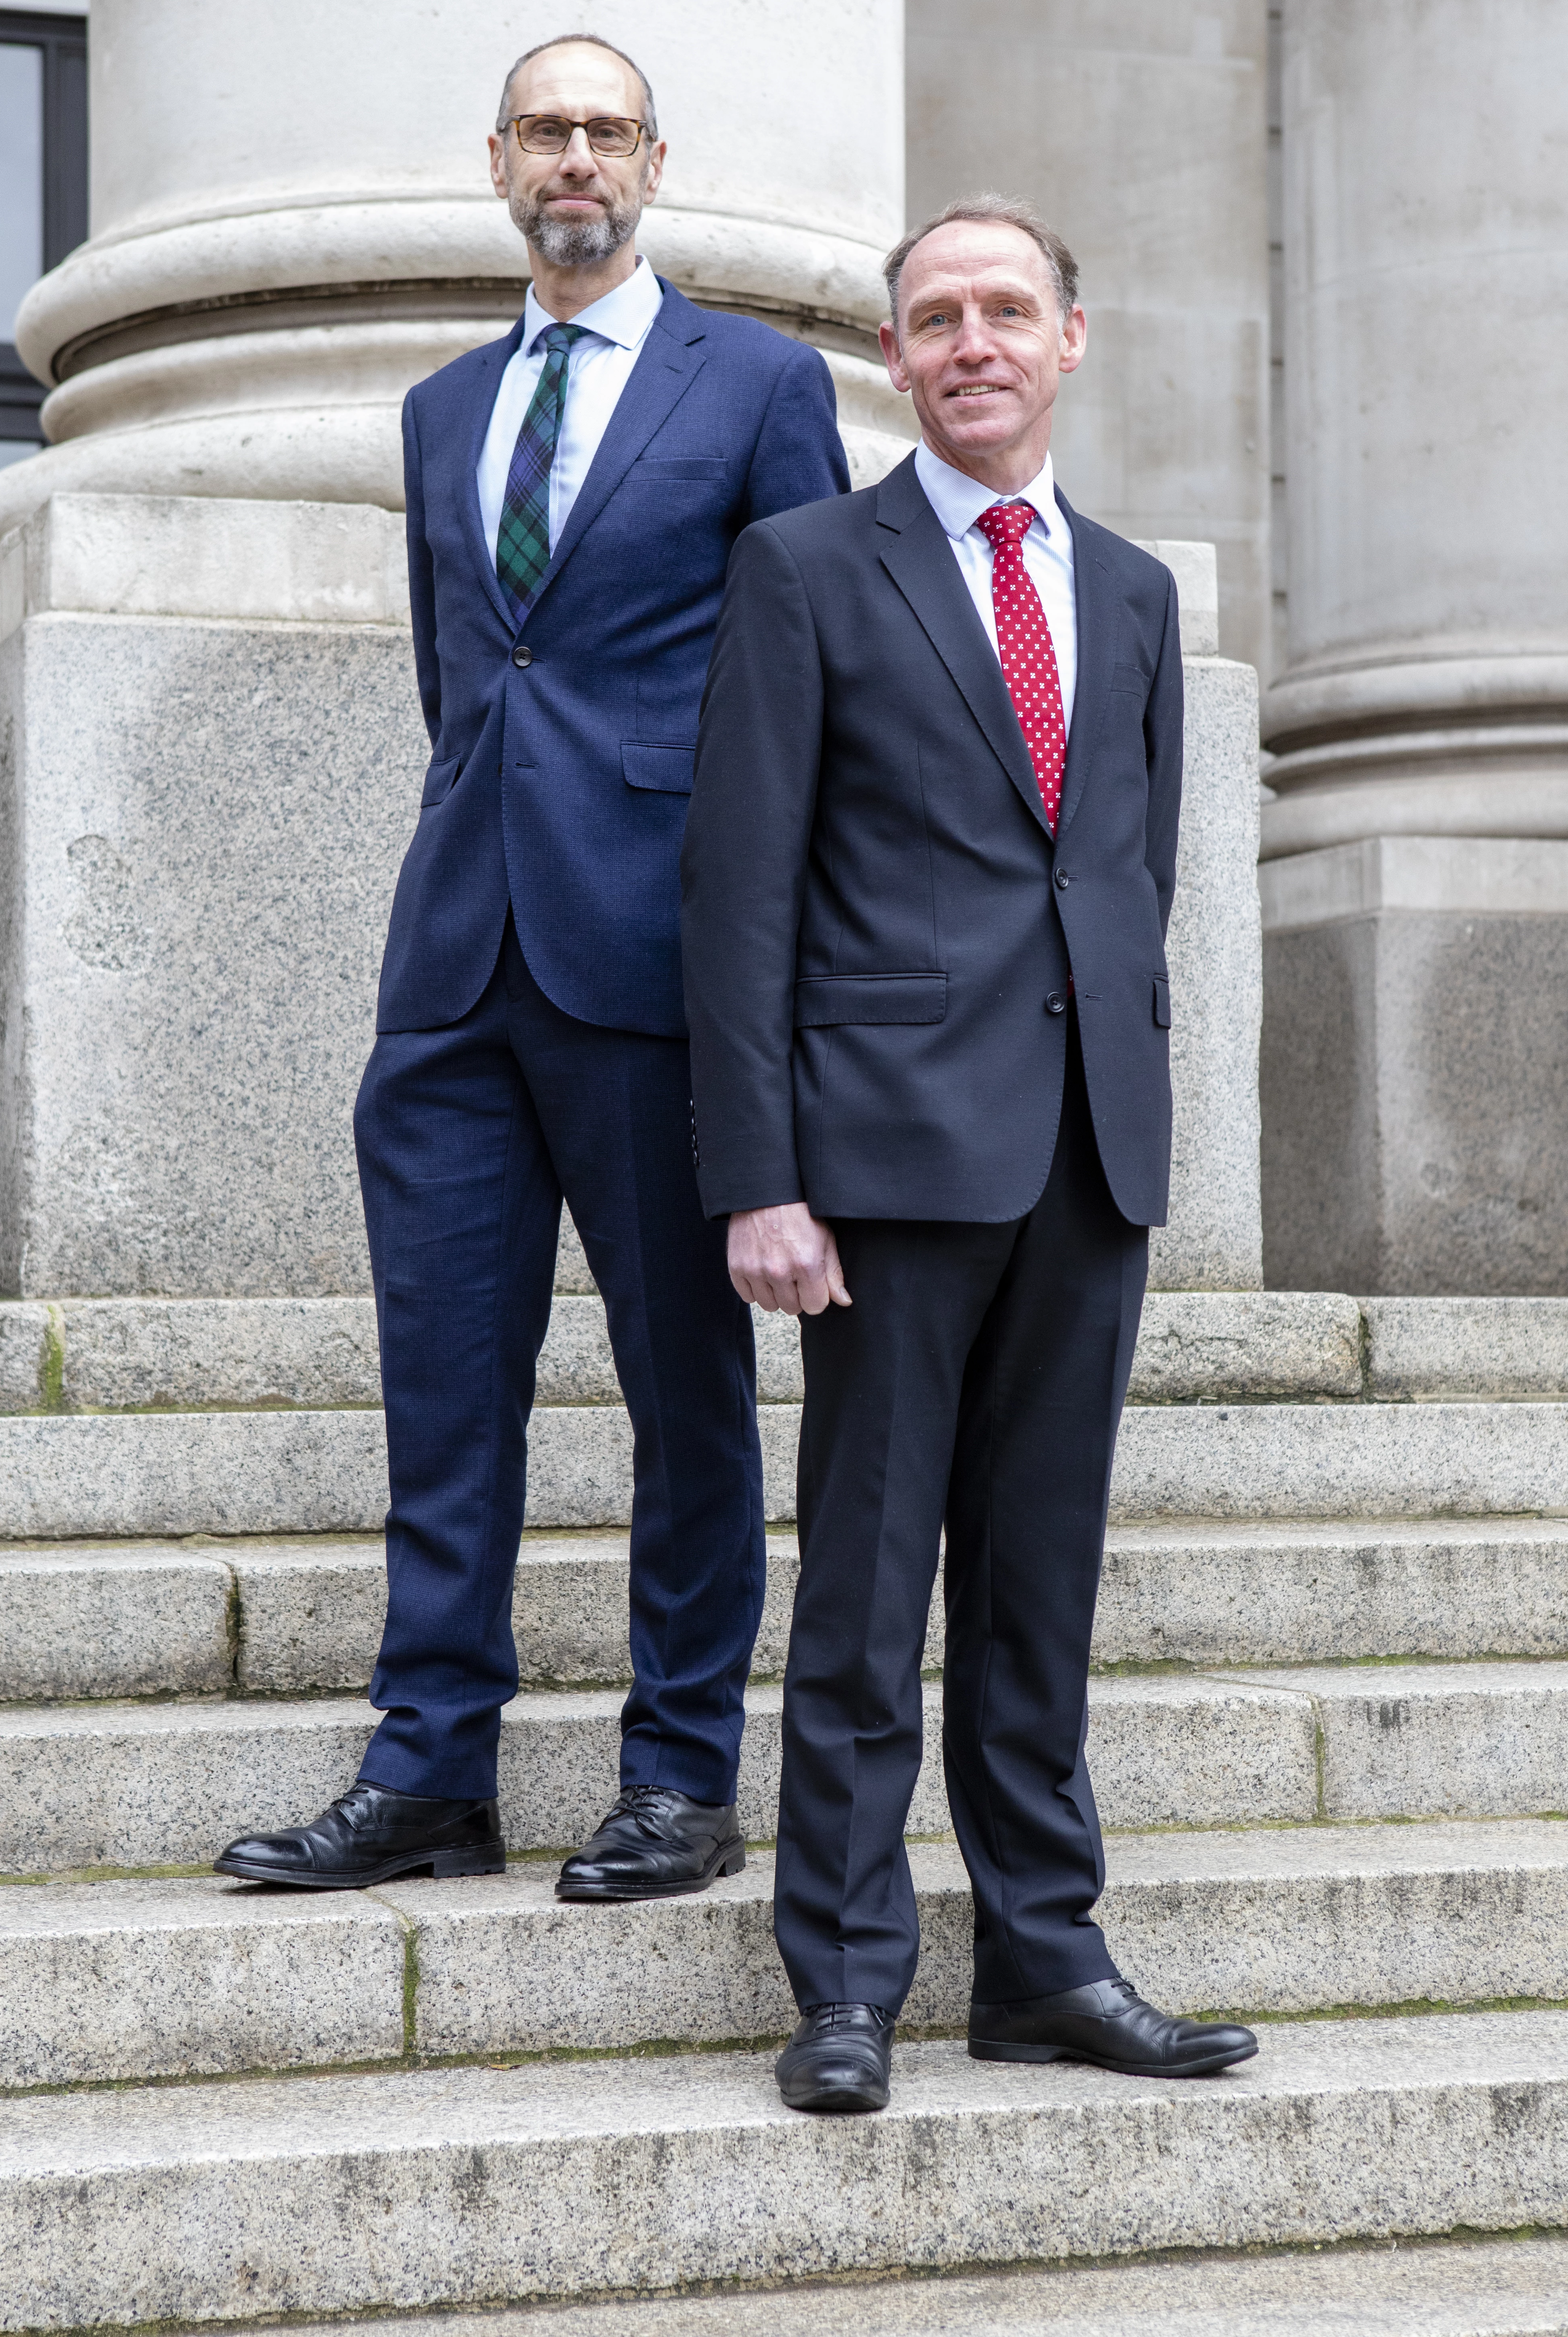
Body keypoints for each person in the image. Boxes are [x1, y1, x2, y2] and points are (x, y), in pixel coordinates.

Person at [217, 34, 848, 1899]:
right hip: (453, 965)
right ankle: (429, 1768)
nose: (576, 158)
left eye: (606, 129)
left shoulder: (763, 385)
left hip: (654, 960)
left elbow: (801, 698)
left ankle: (678, 1768)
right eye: (545, 130)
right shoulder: (438, 408)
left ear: (654, 159)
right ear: (498, 159)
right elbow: (458, 679)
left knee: (685, 1388)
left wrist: (772, 977)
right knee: (444, 1383)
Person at [680, 193, 1258, 2110]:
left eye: (1007, 310)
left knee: (1042, 1584)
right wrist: (759, 1172)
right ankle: (844, 1974)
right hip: (883, 1164)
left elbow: (1130, 872)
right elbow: (741, 889)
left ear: (1069, 339)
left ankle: (1046, 1957)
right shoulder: (805, 569)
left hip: (1089, 1156)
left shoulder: (1139, 590)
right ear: (896, 360)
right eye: (936, 318)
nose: (973, 343)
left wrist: (1133, 1093)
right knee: (863, 1587)